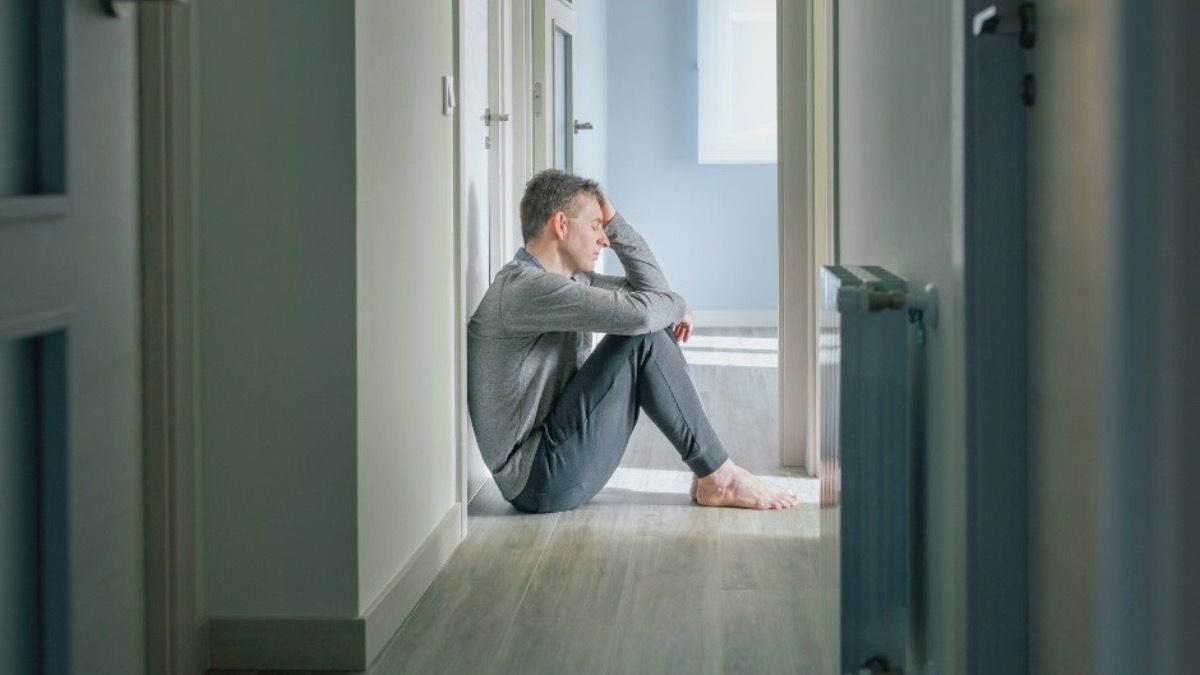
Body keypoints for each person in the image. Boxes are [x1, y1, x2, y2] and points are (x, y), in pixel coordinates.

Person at [467, 169, 799, 514]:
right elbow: (643, 315)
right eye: (596, 225)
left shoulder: (571, 281)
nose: (605, 239)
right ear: (561, 225)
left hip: (555, 459)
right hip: (538, 480)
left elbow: (653, 296)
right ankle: (719, 475)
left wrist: (613, 219)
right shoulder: (527, 289)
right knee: (641, 337)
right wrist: (678, 305)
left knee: (648, 327)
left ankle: (713, 472)